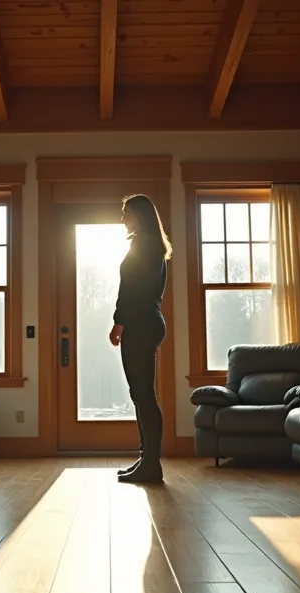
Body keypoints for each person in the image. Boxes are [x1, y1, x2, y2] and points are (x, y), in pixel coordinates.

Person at [108, 194, 170, 483]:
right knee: (142, 395)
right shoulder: (154, 246)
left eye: (126, 213)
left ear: (140, 215)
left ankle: (151, 464)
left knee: (143, 395)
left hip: (140, 323)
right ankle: (147, 460)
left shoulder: (142, 244)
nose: (123, 218)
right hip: (150, 320)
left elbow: (130, 289)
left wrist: (118, 322)